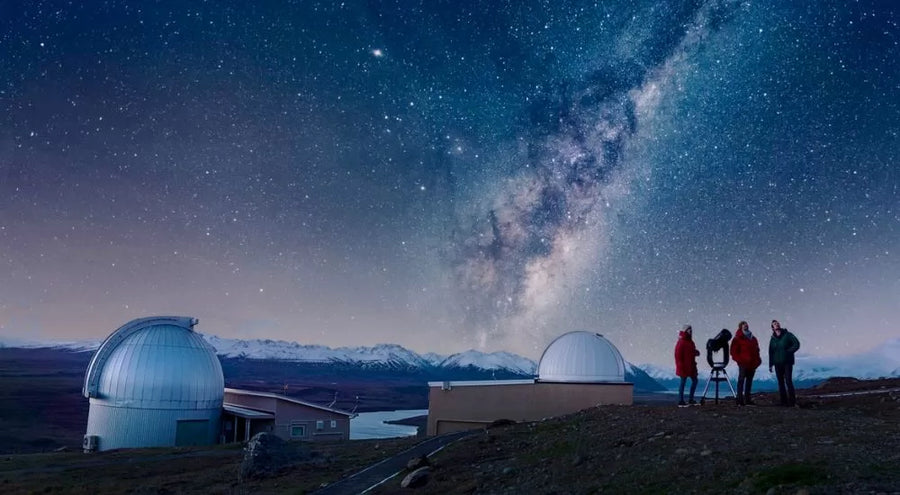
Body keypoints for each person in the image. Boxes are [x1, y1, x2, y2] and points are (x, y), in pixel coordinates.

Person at [768, 319, 800, 407]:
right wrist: (770, 364)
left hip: (787, 362)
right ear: (772, 328)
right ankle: (783, 402)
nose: (777, 324)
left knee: (788, 381)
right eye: (775, 324)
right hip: (777, 363)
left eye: (777, 323)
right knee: (780, 382)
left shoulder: (788, 335)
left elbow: (796, 344)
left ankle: (792, 402)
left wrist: (789, 351)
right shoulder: (773, 339)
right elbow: (771, 352)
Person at [730, 321, 761, 406]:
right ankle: (740, 400)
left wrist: (758, 360)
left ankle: (748, 400)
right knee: (741, 381)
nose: (746, 326)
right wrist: (740, 360)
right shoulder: (737, 338)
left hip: (752, 363)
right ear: (740, 327)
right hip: (743, 363)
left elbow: (757, 350)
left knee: (749, 382)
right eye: (744, 325)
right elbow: (733, 352)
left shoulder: (753, 338)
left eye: (746, 324)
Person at [674, 325, 700, 406]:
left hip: (691, 366)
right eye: (689, 330)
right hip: (684, 367)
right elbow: (678, 355)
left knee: (695, 381)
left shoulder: (691, 342)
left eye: (691, 330)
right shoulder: (681, 342)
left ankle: (690, 399)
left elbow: (690, 352)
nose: (691, 331)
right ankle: (681, 401)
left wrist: (696, 352)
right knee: (683, 383)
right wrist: (680, 366)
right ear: (685, 331)